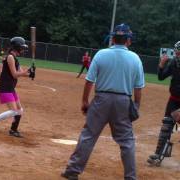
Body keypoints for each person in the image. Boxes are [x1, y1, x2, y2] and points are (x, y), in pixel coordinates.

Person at [61, 24, 145, 180]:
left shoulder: (101, 54)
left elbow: (89, 81)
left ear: (113, 39)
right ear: (128, 41)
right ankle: (131, 177)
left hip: (101, 99)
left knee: (88, 136)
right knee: (127, 141)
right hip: (123, 101)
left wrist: (85, 101)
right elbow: (138, 87)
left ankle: (72, 171)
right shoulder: (135, 58)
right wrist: (136, 105)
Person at [0, 37, 34, 138]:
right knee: (14, 111)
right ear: (16, 47)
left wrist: (30, 73)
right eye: (21, 47)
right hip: (5, 87)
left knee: (20, 110)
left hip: (11, 87)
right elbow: (15, 74)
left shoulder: (15, 59)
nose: (23, 49)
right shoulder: (10, 57)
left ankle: (13, 130)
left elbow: (21, 72)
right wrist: (26, 73)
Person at [147, 41, 180, 166]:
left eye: (178, 51)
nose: (177, 53)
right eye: (176, 51)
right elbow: (161, 77)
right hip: (174, 99)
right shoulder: (173, 63)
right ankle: (158, 155)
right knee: (166, 126)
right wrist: (161, 65)